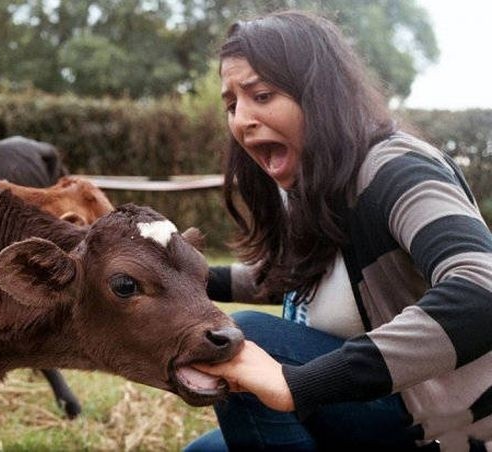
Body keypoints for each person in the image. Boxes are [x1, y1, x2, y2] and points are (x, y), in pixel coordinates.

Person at [184, 10, 492, 452]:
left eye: (263, 95)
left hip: (445, 427)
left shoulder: (398, 169)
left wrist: (302, 383)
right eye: (232, 105)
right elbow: (295, 278)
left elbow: (482, 289)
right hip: (372, 405)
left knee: (249, 336)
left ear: (320, 94)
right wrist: (181, 269)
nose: (241, 120)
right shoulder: (319, 183)